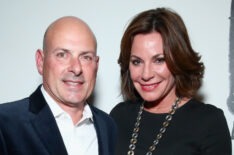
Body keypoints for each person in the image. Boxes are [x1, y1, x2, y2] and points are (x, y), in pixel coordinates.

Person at [110, 7, 232, 155]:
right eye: (137, 62)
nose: (146, 74)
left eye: (159, 60)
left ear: (179, 59)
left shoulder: (209, 122)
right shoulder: (119, 116)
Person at [0, 16, 117, 155]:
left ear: (96, 66)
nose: (76, 68)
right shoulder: (5, 122)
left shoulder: (108, 126)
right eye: (62, 55)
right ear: (40, 61)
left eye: (86, 57)